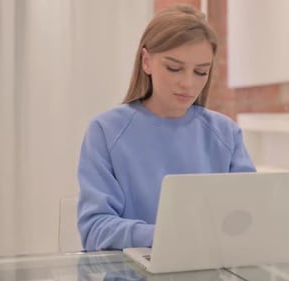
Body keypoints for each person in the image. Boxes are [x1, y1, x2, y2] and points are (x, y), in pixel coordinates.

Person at [77, 4, 256, 252]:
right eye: (174, 68)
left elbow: (250, 219)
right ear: (146, 61)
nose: (188, 83)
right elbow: (95, 230)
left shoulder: (226, 132)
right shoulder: (106, 131)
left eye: (201, 72)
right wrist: (166, 236)